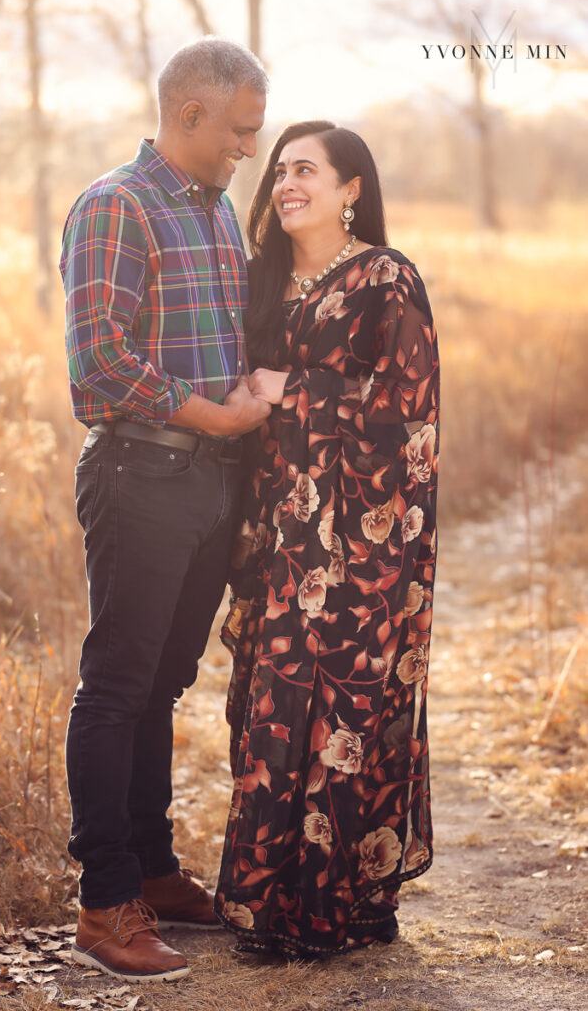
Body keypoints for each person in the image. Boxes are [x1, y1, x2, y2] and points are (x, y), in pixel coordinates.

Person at [59, 38, 269, 982]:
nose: (246, 151)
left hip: (212, 484)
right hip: (142, 476)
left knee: (161, 684)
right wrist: (218, 413)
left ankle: (150, 866)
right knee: (115, 686)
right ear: (188, 115)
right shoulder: (117, 206)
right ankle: (105, 903)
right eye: (237, 131)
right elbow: (98, 362)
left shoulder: (219, 212)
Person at [214, 121, 440, 958]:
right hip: (276, 533)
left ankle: (340, 905)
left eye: (305, 169)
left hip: (362, 540)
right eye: (278, 171)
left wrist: (294, 389)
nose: (285, 183)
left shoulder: (386, 278)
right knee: (271, 706)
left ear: (351, 189)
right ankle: (273, 908)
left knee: (348, 705)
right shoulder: (261, 277)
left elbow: (406, 414)